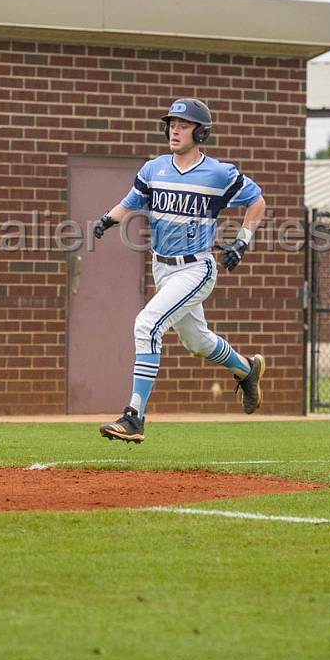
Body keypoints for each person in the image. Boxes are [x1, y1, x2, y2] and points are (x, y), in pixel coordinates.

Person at [92, 98, 267, 443]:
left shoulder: (218, 173)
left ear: (200, 132)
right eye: (171, 123)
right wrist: (108, 219)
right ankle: (247, 370)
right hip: (162, 268)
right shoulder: (154, 168)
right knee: (198, 341)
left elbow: (256, 202)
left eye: (183, 125)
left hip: (196, 268)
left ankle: (134, 416)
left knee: (147, 324)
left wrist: (242, 242)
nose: (174, 129)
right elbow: (132, 201)